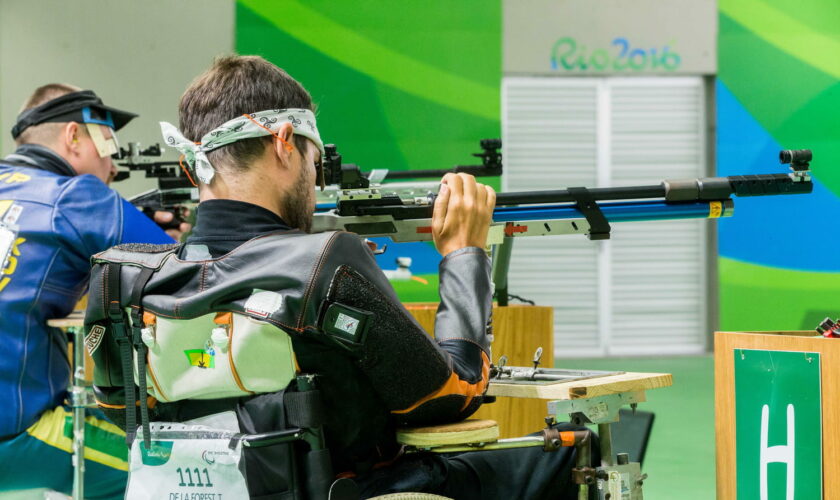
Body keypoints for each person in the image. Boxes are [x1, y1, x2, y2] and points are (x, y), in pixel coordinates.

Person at [85, 56, 593, 499]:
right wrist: (463, 255)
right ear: (285, 142)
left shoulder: (119, 279)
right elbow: (451, 394)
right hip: (353, 489)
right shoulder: (324, 262)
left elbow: (118, 408)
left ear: (192, 167)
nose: (315, 175)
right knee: (572, 455)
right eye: (314, 156)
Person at [0, 84, 190, 498]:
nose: (114, 162)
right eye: (108, 141)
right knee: (178, 471)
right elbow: (184, 270)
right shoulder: (74, 196)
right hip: (15, 435)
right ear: (72, 137)